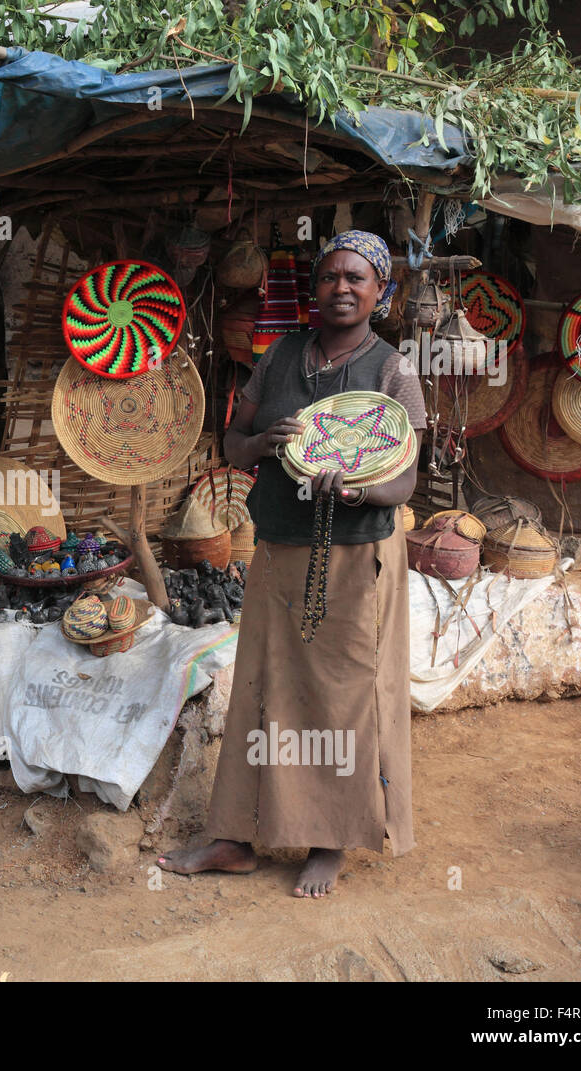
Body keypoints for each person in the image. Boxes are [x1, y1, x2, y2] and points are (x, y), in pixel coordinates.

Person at [158, 229, 427, 898]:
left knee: (342, 697)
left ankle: (329, 839)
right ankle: (236, 836)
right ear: (314, 288)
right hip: (279, 548)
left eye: (356, 278)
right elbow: (235, 443)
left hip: (355, 556)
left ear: (380, 292)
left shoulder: (394, 370)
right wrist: (263, 441)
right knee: (261, 690)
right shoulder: (278, 357)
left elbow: (406, 480)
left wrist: (364, 488)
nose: (341, 286)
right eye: (330, 275)